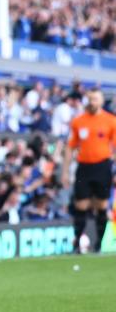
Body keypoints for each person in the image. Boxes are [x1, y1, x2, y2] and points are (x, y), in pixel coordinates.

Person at [61, 89, 116, 253]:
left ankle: (98, 244)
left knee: (101, 205)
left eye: (95, 99)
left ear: (101, 101)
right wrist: (65, 171)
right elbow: (70, 147)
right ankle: (77, 243)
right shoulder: (78, 121)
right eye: (90, 99)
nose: (92, 102)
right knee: (81, 205)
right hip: (84, 167)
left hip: (102, 166)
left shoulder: (110, 121)